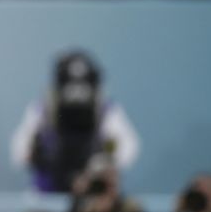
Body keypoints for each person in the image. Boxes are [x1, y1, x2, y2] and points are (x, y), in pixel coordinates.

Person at [10, 50, 140, 193]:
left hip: (93, 198)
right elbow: (19, 149)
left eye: (82, 87)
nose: (77, 94)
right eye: (71, 86)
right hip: (46, 194)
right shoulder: (43, 110)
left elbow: (128, 146)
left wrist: (104, 162)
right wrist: (36, 155)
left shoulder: (106, 111)